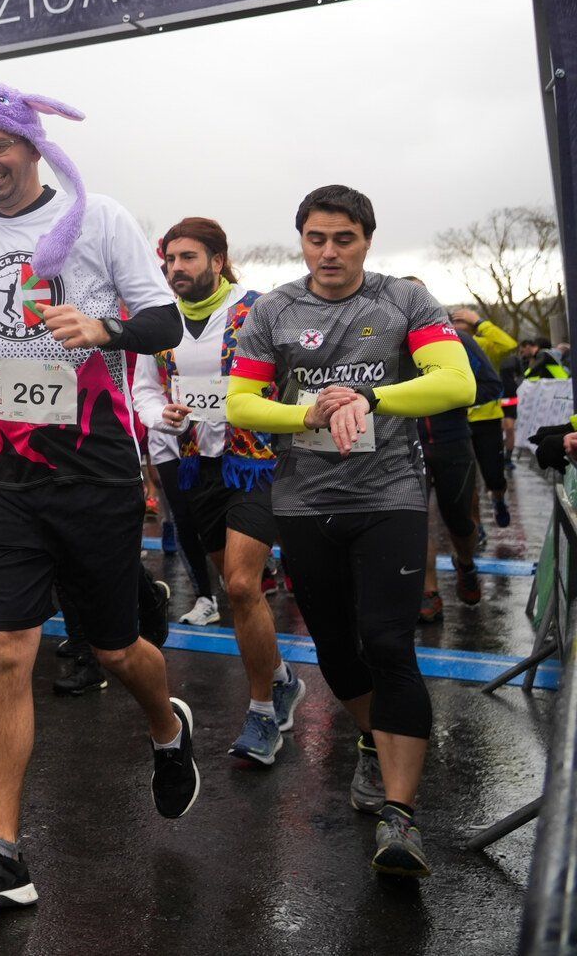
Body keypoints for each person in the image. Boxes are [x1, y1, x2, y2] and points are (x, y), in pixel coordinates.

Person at [0, 83, 194, 911]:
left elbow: (166, 323)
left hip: (94, 464)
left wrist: (102, 329)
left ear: (35, 146)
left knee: (113, 648)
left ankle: (168, 724)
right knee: (7, 648)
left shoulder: (97, 216)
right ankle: (4, 852)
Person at [227, 184, 474, 878]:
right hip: (306, 501)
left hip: (389, 495)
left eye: (345, 238)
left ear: (368, 238)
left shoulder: (403, 301)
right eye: (317, 238)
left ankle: (400, 817)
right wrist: (308, 413)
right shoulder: (274, 309)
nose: (330, 251)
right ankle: (371, 739)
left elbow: (455, 383)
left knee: (390, 643)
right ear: (300, 239)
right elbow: (242, 402)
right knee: (337, 651)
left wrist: (370, 395)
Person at [131, 218, 305, 766]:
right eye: (169, 260)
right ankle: (280, 679)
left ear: (218, 258)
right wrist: (165, 414)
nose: (175, 269)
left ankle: (260, 715)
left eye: (187, 258)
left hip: (254, 464)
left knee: (240, 585)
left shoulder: (259, 308)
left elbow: (299, 372)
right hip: (194, 466)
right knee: (231, 585)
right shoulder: (158, 321)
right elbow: (144, 389)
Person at [446, 306, 516, 527]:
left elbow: (509, 345)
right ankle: (474, 525)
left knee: (494, 476)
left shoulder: (484, 345)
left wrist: (479, 321)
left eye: (462, 322)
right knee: (464, 482)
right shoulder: (446, 345)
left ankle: (498, 499)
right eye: (454, 322)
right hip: (456, 422)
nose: (458, 326)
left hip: (487, 421)